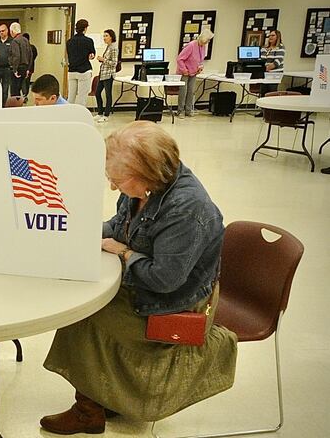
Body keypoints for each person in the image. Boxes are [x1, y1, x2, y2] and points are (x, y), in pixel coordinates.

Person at [40, 121, 237, 435]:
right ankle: (105, 396)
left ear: (147, 173)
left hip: (175, 301)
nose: (113, 187)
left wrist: (124, 253)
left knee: (82, 313)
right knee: (80, 293)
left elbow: (163, 279)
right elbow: (120, 226)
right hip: (151, 285)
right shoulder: (146, 189)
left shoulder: (187, 209)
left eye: (117, 179)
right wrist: (78, 231)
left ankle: (88, 411)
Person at [176, 28, 213, 118]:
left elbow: (200, 60)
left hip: (194, 72)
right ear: (203, 38)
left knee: (191, 91)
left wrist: (200, 67)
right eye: (208, 40)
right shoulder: (191, 45)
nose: (208, 42)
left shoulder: (202, 46)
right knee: (183, 92)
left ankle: (188, 110)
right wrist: (184, 70)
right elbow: (180, 59)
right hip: (184, 73)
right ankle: (180, 111)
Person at [66, 19, 95, 106]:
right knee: (82, 98)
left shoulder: (69, 41)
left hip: (72, 71)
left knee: (71, 97)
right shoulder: (88, 41)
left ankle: (68, 115)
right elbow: (92, 55)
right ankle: (79, 117)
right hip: (84, 71)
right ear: (85, 28)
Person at [94, 29, 118, 123]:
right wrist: (102, 60)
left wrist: (103, 60)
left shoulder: (114, 48)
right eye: (104, 36)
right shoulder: (108, 47)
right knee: (97, 92)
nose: (104, 38)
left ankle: (106, 115)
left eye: (106, 36)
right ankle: (100, 112)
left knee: (108, 94)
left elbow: (114, 63)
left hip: (109, 74)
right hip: (102, 73)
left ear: (111, 37)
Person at [9, 22, 32, 101]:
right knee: (22, 87)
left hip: (18, 68)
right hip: (25, 68)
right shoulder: (26, 40)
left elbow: (16, 56)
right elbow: (30, 55)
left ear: (12, 31)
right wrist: (28, 69)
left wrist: (15, 69)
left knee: (15, 91)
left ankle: (16, 108)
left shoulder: (15, 41)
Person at [259, 30, 286, 98]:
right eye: (269, 35)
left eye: (273, 35)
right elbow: (260, 60)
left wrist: (264, 68)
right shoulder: (264, 48)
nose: (270, 37)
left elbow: (277, 62)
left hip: (275, 74)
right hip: (264, 74)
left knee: (271, 92)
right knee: (263, 92)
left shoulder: (280, 47)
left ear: (278, 37)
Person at [22, 33, 38, 99]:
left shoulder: (23, 48)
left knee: (23, 82)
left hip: (24, 68)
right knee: (27, 82)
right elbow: (35, 55)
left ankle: (24, 95)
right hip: (31, 68)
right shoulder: (33, 47)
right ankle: (25, 95)